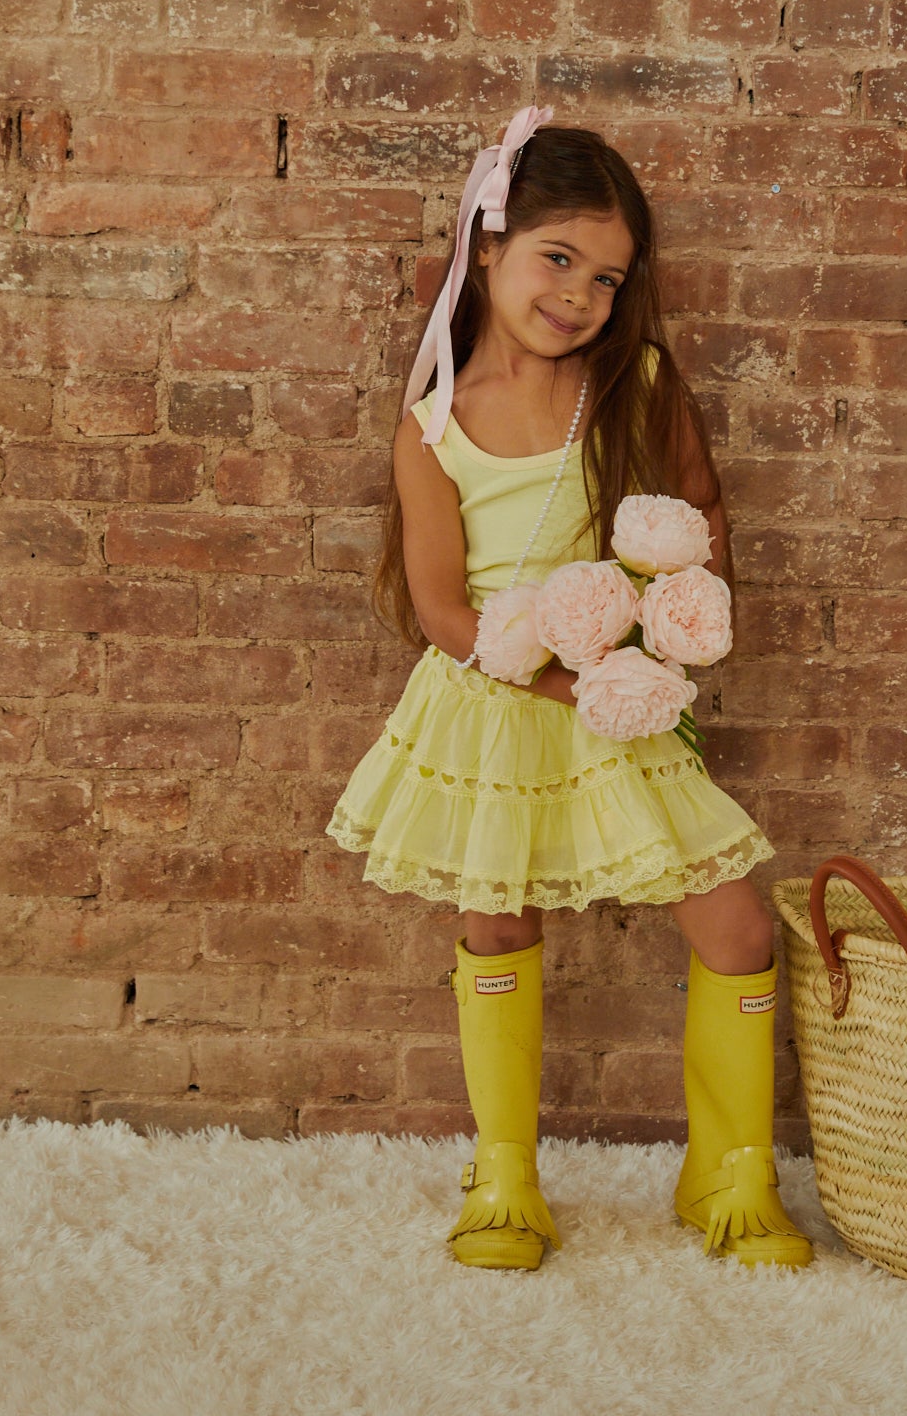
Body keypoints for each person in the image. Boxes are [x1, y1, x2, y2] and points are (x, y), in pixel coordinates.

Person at [327, 107, 812, 1273]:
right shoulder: (433, 424)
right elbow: (443, 603)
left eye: (607, 276)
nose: (580, 293)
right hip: (501, 694)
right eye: (558, 259)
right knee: (497, 915)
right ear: (486, 246)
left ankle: (729, 1172)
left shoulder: (633, 380)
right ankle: (504, 1176)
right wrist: (545, 670)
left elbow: (703, 521)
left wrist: (666, 632)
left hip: (616, 693)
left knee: (738, 920)